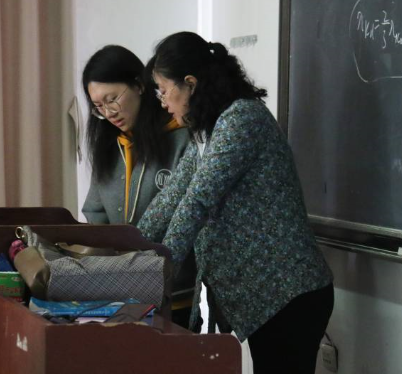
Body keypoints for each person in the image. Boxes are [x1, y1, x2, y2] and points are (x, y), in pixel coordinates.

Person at [138, 32, 334, 374]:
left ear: (190, 84)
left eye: (164, 91)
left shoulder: (242, 119)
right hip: (267, 296)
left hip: (288, 292)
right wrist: (129, 249)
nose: (163, 102)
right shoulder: (206, 131)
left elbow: (197, 202)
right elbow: (170, 199)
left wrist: (156, 271)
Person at [80, 45, 198, 329]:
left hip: (173, 297)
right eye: (98, 107)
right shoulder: (110, 147)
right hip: (118, 296)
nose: (108, 112)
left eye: (112, 99)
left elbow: (191, 216)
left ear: (139, 85)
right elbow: (96, 213)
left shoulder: (182, 139)